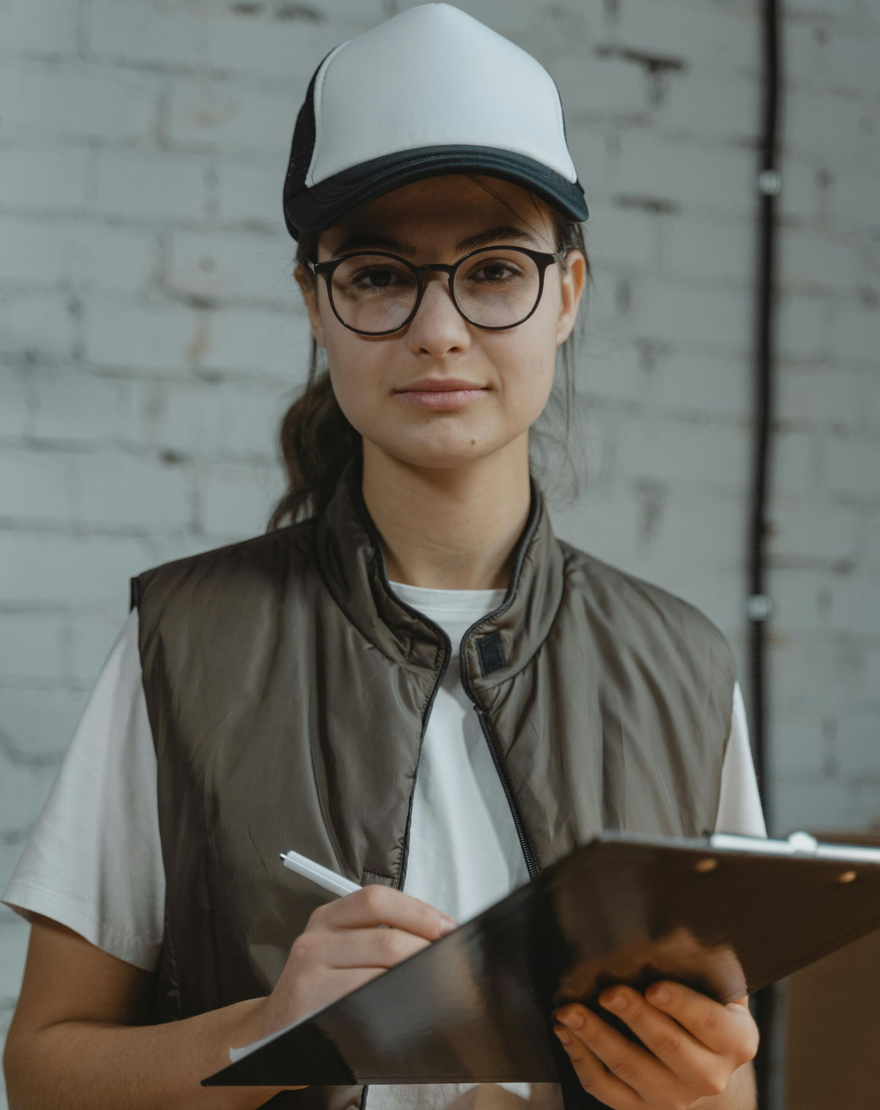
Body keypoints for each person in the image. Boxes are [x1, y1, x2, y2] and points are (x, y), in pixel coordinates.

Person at [2, 5, 765, 1110]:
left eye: (496, 270)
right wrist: (269, 1035)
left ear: (568, 295)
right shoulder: (186, 641)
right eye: (376, 274)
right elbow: (40, 1073)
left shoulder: (680, 669)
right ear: (316, 301)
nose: (439, 329)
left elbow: (725, 1085)